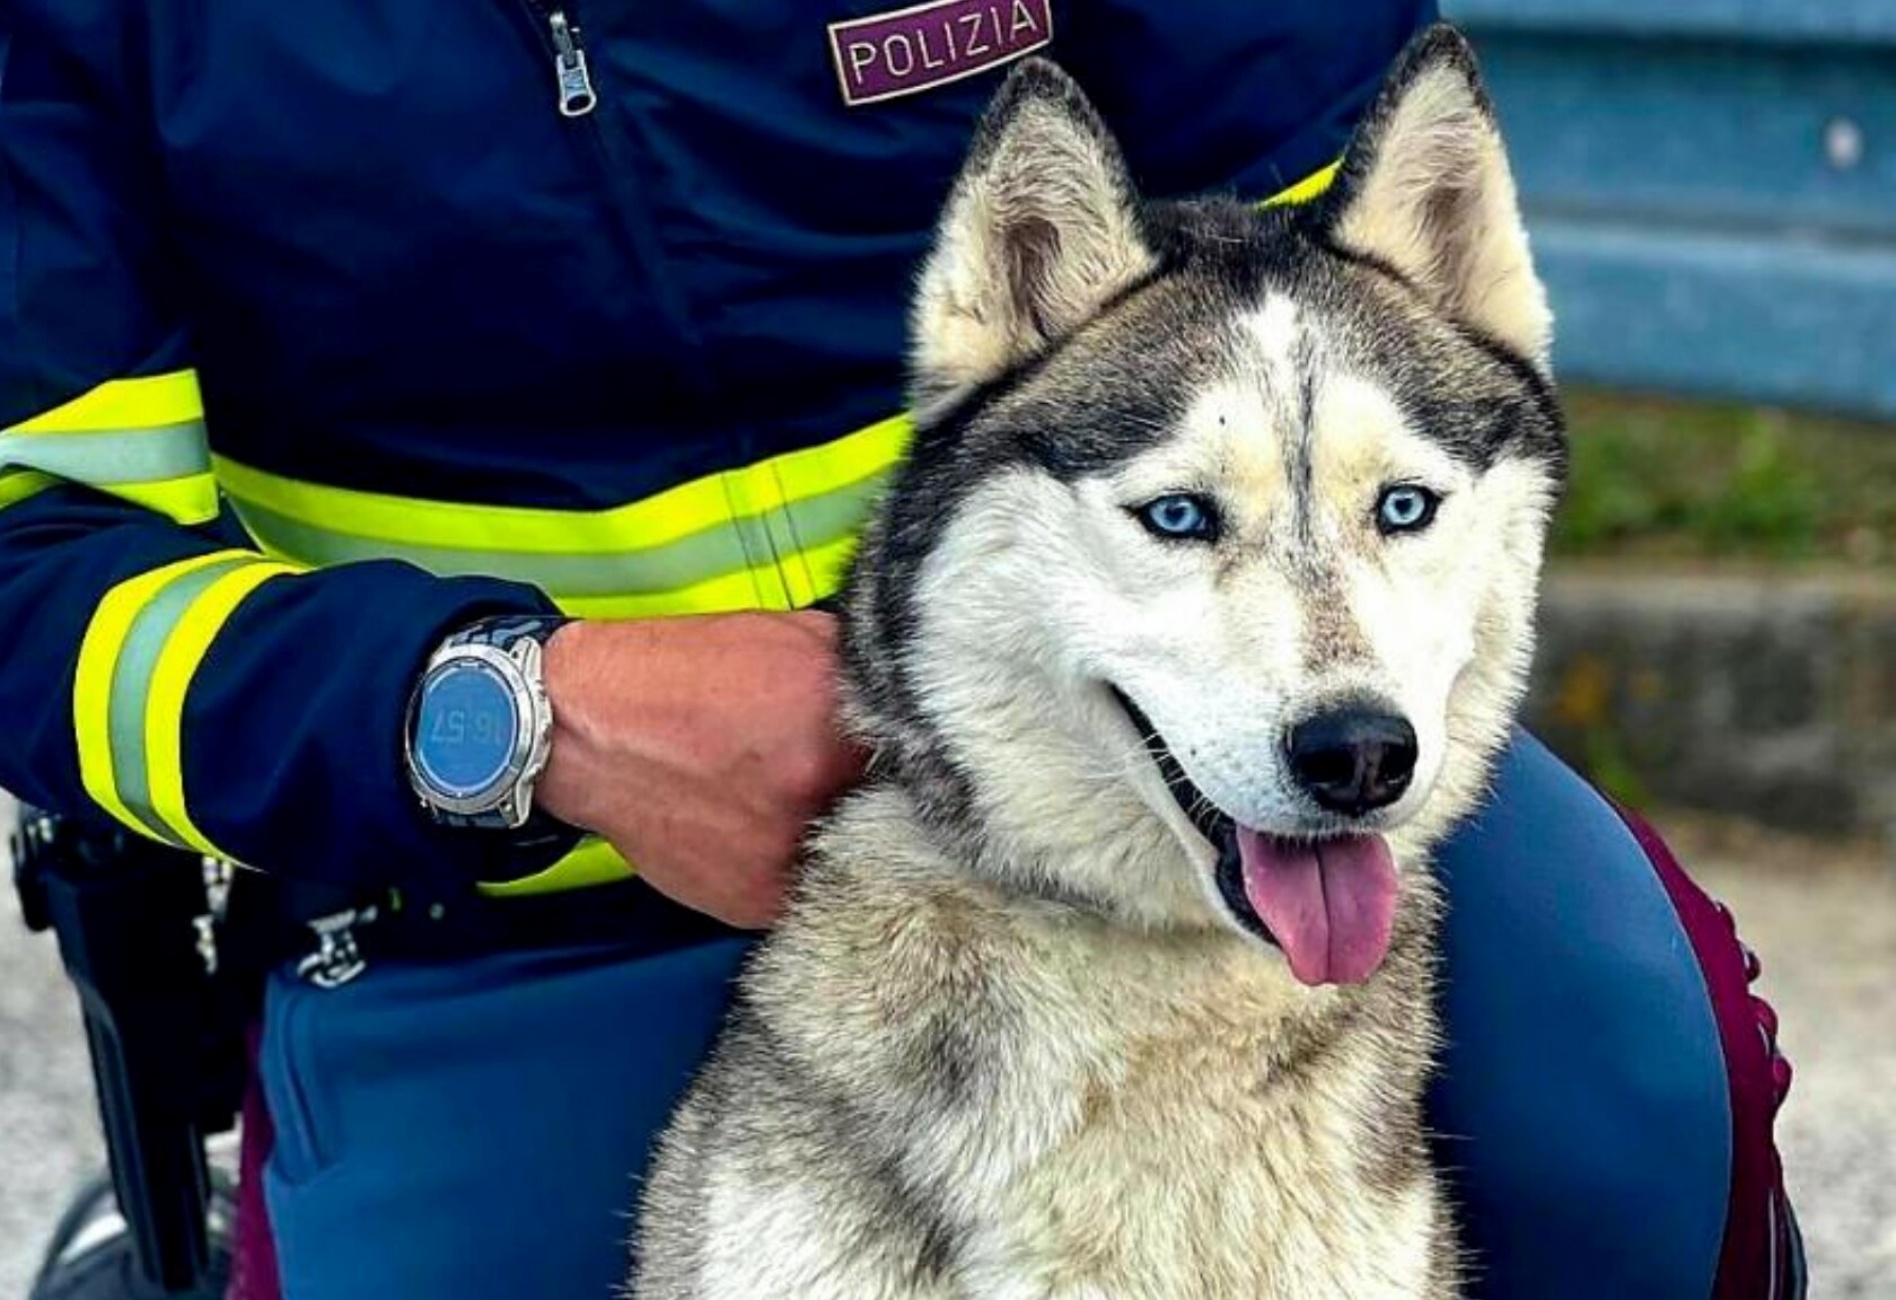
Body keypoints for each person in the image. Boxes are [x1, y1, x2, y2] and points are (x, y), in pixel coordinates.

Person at [0, 1, 1800, 1296]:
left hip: (1147, 782)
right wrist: (504, 715)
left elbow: (1362, 273)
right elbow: (33, 570)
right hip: (501, 875)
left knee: (1643, 1126)